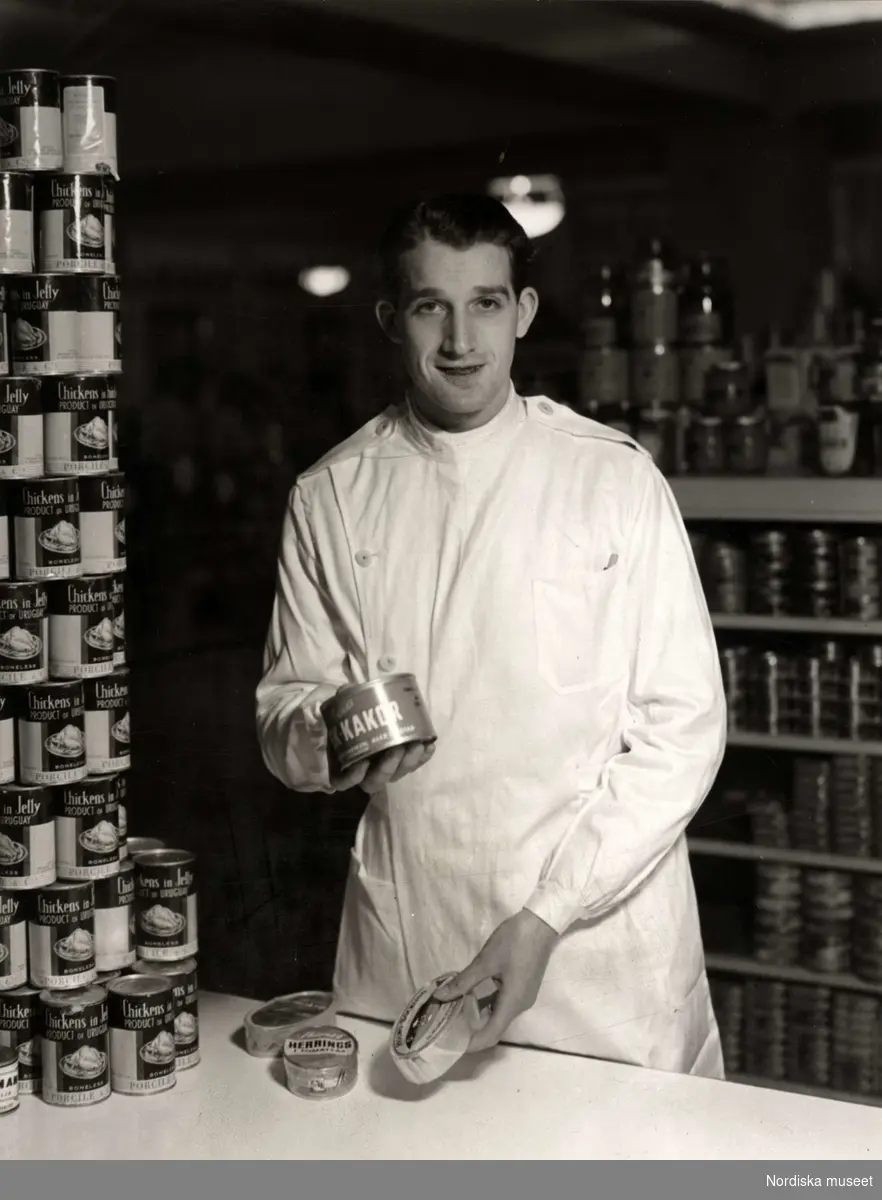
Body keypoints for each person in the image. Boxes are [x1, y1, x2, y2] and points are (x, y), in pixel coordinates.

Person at [256, 193, 727, 1078]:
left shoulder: (610, 478)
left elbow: (683, 728)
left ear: (525, 313)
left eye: (486, 303)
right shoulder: (332, 494)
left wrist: (547, 915)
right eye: (432, 306)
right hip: (413, 938)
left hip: (599, 952)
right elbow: (284, 708)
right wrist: (321, 737)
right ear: (392, 319)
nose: (461, 341)